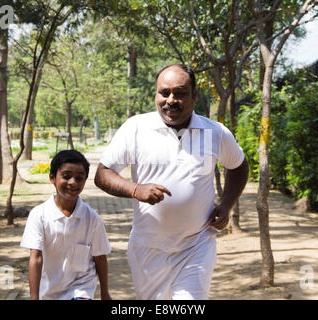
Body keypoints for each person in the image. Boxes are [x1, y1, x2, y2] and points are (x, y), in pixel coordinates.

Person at [94, 64, 248, 300]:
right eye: (164, 93)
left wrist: (227, 205)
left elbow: (238, 166)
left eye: (181, 93)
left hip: (196, 245)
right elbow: (103, 174)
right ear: (156, 95)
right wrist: (135, 189)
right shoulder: (136, 128)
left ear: (195, 97)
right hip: (148, 249)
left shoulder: (215, 132)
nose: (171, 100)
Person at [20, 150, 111, 300]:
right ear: (52, 178)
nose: (73, 182)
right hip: (48, 292)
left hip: (81, 290)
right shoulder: (39, 215)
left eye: (79, 178)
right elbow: (36, 258)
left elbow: (100, 257)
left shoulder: (92, 219)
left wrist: (105, 293)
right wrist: (34, 297)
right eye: (66, 176)